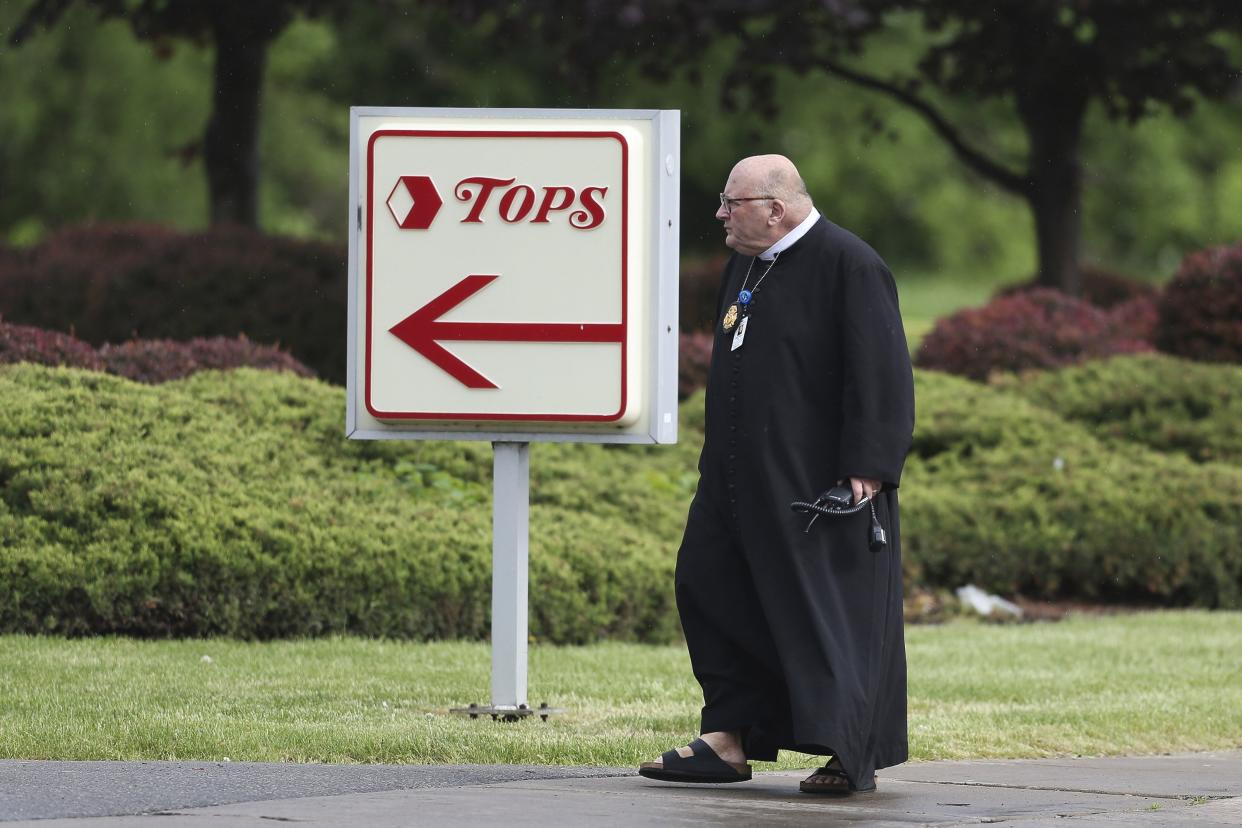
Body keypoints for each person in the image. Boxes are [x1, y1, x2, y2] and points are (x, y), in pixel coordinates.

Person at [639, 154, 915, 795]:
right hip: (736, 474)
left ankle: (848, 751)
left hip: (818, 481)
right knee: (710, 584)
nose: (720, 215)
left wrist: (868, 468)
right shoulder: (747, 262)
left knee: (822, 611)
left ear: (776, 209)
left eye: (731, 204)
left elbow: (883, 374)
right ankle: (727, 739)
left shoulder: (850, 264)